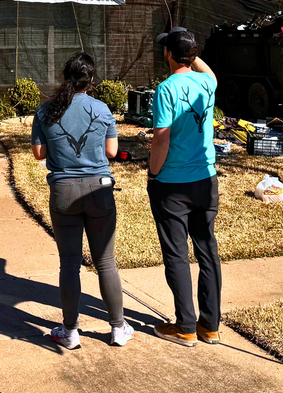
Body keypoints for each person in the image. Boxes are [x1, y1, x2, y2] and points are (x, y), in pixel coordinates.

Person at [32, 52, 135, 350]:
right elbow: (112, 151)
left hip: (63, 192)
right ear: (91, 80)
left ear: (65, 76)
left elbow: (39, 154)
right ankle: (118, 328)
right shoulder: (102, 109)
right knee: (106, 262)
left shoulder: (45, 110)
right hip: (99, 191)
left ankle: (70, 331)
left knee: (69, 263)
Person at [147, 27, 222, 347]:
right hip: (206, 180)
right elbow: (210, 73)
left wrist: (153, 174)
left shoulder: (165, 89)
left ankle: (186, 327)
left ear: (167, 54)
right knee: (207, 251)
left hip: (172, 185)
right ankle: (210, 326)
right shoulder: (207, 83)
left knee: (177, 255)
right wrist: (191, 53)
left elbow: (161, 139)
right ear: (192, 55)